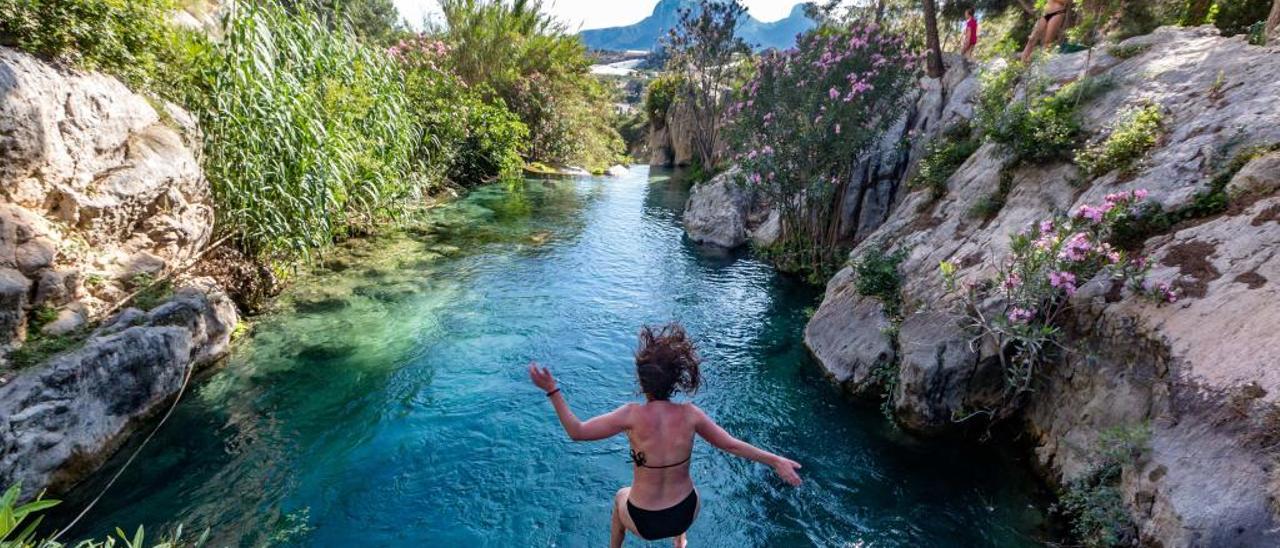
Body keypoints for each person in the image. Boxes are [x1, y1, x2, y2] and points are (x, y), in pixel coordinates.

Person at [527, 323, 802, 548]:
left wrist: (552, 390)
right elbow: (732, 445)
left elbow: (577, 432)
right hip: (685, 512)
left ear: (641, 381)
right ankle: (680, 542)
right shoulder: (691, 414)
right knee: (686, 485)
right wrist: (776, 460)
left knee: (620, 495)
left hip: (644, 522)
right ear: (674, 381)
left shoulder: (631, 415)